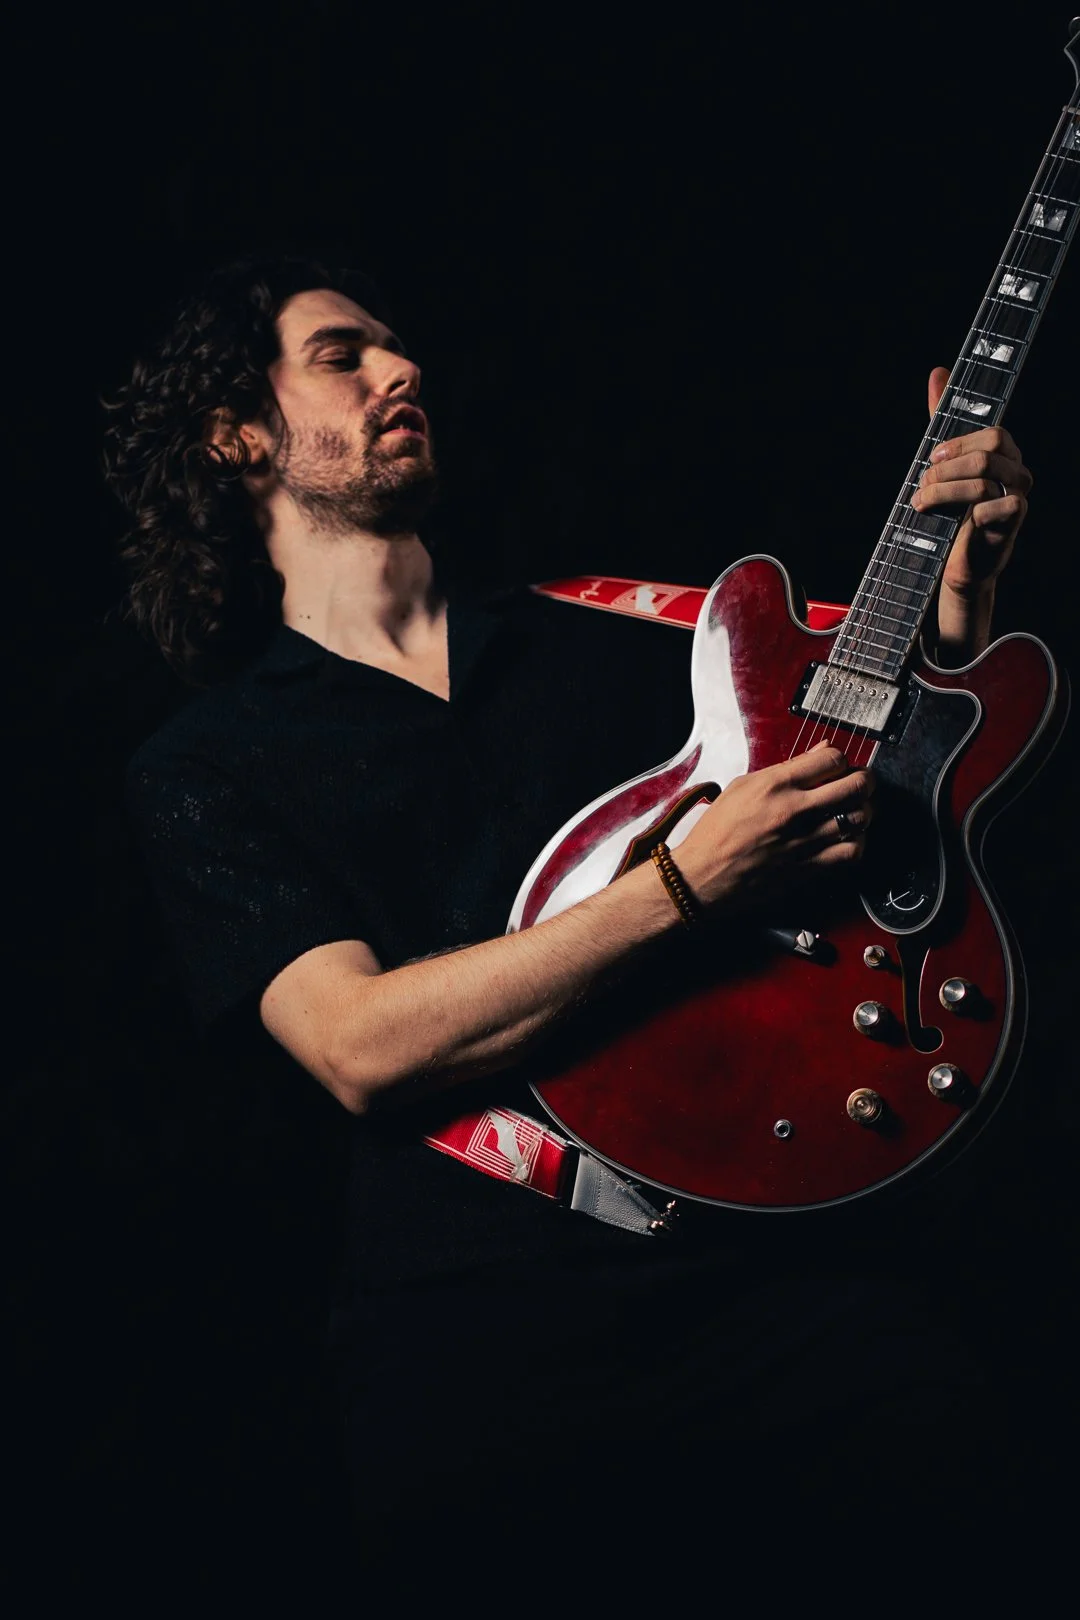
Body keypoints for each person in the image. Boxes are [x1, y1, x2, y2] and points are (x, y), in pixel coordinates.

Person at [104, 253, 1041, 1583]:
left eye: (397, 346)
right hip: (477, 1355)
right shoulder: (209, 766)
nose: (400, 368)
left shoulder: (624, 637)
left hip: (778, 1284)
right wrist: (685, 887)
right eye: (343, 355)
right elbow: (359, 1046)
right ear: (237, 434)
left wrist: (963, 585)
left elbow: (873, 764)